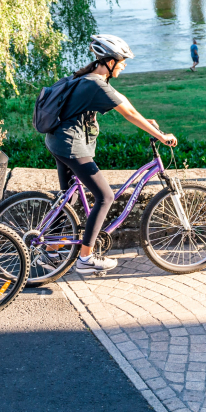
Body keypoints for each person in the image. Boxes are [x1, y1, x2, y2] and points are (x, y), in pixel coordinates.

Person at [44, 34, 177, 275]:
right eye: (122, 60)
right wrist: (160, 136)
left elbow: (127, 105)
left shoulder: (89, 77)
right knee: (105, 197)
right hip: (71, 145)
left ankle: (50, 248)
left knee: (69, 197)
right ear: (109, 61)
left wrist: (148, 122)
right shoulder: (96, 84)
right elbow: (128, 114)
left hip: (57, 142)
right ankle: (85, 258)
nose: (124, 65)